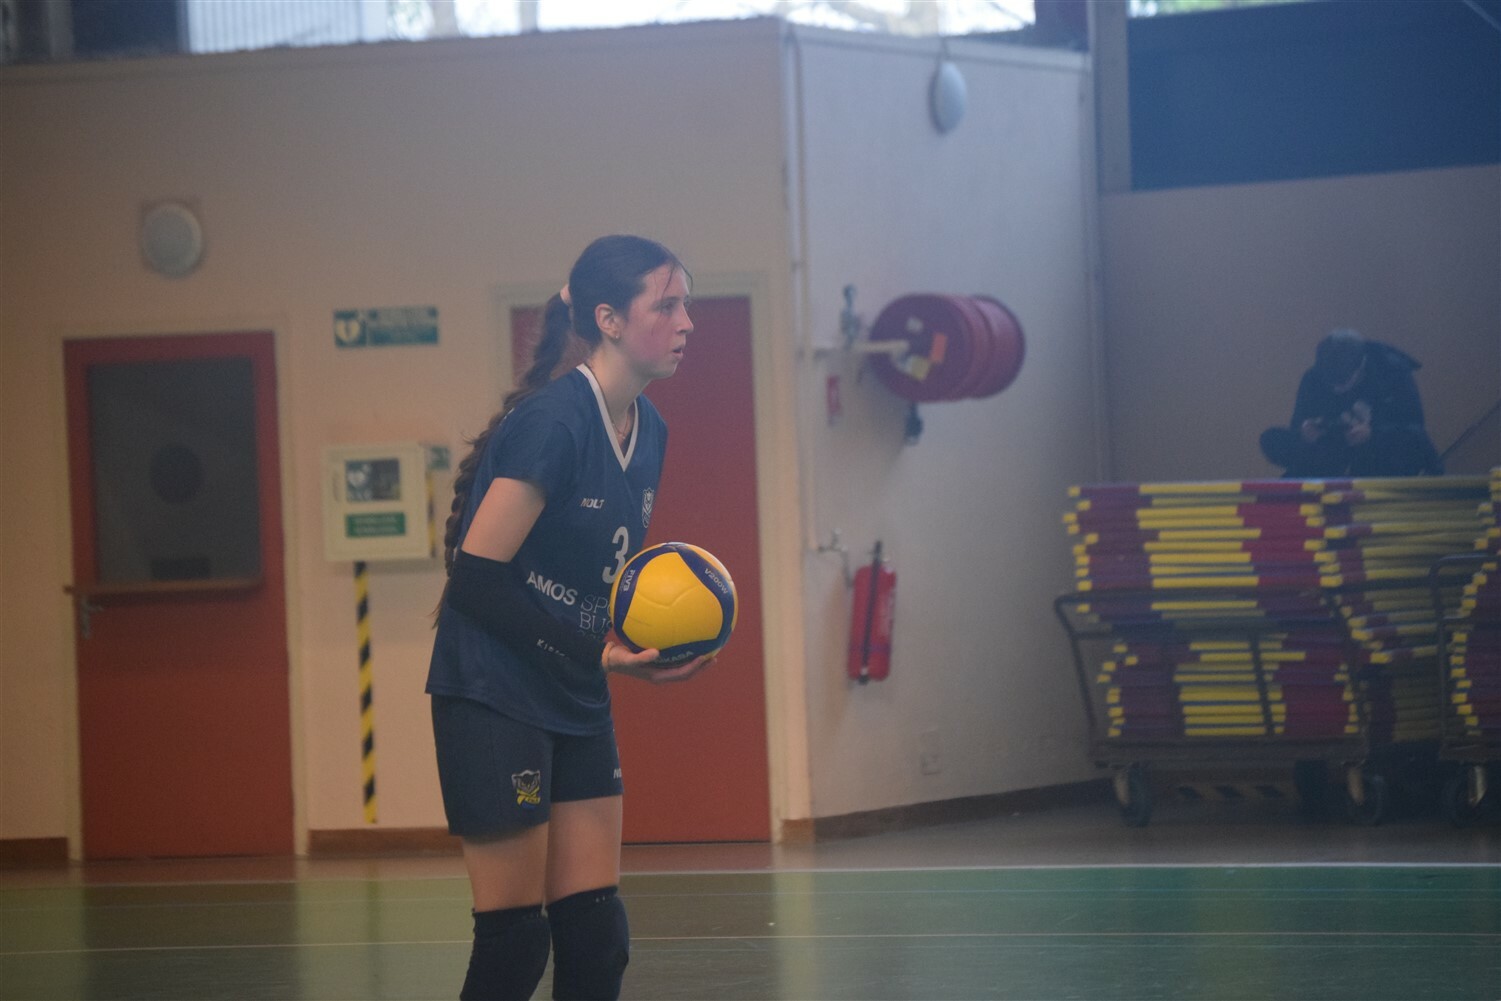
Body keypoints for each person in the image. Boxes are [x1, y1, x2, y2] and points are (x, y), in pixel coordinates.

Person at [426, 235, 715, 1001]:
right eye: (667, 304)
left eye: (686, 303)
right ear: (608, 319)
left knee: (595, 937)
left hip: (573, 692)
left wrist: (650, 639)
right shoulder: (554, 423)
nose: (686, 321)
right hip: (494, 692)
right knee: (516, 943)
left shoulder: (650, 431)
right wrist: (599, 653)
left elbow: (600, 576)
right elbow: (475, 582)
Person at [1259, 328, 1443, 478]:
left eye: (1343, 382)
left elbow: (1415, 432)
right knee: (1272, 439)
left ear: (1361, 365)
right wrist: (1306, 432)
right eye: (1330, 383)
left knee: (1408, 442)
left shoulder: (1392, 371)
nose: (1336, 389)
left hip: (1381, 454)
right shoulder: (1313, 378)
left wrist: (1372, 435)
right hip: (1332, 451)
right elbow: (1297, 425)